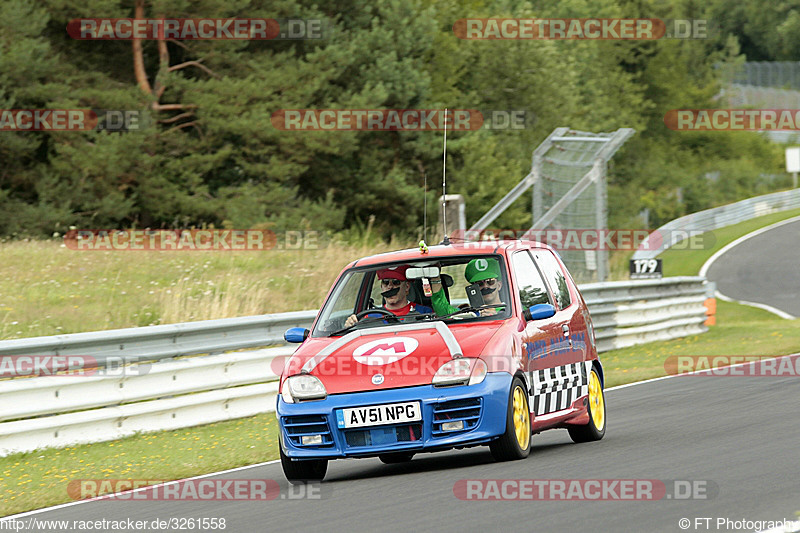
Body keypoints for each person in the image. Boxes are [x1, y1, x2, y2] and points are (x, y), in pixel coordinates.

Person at [343, 265, 432, 328]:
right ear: (381, 287)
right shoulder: (370, 317)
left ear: (407, 287)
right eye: (385, 282)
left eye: (396, 282)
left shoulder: (424, 313)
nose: (390, 287)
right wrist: (349, 327)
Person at [430, 257, 504, 317]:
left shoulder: (510, 312)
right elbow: (443, 311)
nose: (485, 286)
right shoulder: (469, 314)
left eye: (490, 281)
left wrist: (497, 316)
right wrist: (435, 276)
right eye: (479, 283)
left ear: (499, 285)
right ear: (473, 288)